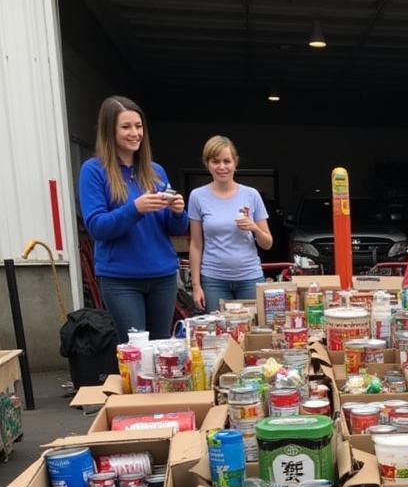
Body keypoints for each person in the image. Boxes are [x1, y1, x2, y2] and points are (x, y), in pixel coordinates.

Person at [78, 95, 187, 340]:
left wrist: (178, 212)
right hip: (121, 279)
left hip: (163, 276)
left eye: (138, 126)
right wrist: (135, 209)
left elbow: (174, 228)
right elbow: (97, 227)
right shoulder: (94, 171)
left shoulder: (155, 171)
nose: (135, 133)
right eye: (126, 127)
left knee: (161, 349)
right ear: (109, 131)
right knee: (136, 352)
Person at [188, 135, 272, 310]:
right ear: (207, 164)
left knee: (253, 332)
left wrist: (254, 228)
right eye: (215, 161)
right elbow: (196, 244)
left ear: (235, 163)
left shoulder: (251, 195)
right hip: (213, 279)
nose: (222, 167)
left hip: (250, 277)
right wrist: (196, 286)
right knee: (217, 333)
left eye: (227, 161)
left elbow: (267, 243)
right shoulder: (197, 196)